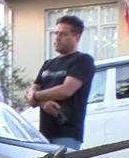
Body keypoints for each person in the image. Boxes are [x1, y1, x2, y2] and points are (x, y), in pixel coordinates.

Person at [25, 16, 95, 150]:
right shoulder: (48, 64)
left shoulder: (82, 61)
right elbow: (30, 95)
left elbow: (66, 90)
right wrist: (42, 102)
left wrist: (36, 97)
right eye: (56, 33)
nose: (57, 38)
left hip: (67, 134)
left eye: (63, 34)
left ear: (76, 36)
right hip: (44, 134)